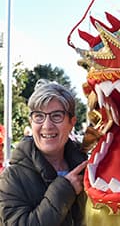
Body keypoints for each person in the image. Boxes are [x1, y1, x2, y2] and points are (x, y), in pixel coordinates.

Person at [0, 79, 88, 226]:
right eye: (39, 116)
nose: (47, 126)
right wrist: (65, 190)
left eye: (56, 115)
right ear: (31, 122)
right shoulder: (12, 178)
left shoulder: (89, 170)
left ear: (72, 122)